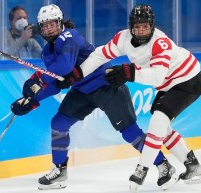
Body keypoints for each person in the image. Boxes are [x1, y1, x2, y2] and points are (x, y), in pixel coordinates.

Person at [10, 4, 179, 191]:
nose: (50, 28)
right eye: (45, 25)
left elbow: (65, 67)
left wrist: (37, 79)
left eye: (53, 24)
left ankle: (163, 165)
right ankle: (59, 171)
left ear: (60, 23)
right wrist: (33, 100)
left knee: (130, 133)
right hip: (82, 92)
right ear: (41, 28)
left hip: (107, 86)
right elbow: (58, 82)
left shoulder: (69, 36)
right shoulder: (47, 52)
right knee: (58, 124)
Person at [64, 4, 201, 191]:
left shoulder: (160, 42)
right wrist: (79, 74)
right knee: (162, 130)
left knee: (158, 120)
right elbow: (100, 55)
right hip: (168, 85)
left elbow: (157, 76)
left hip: (188, 81)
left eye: (145, 26)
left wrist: (129, 73)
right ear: (131, 26)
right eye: (137, 26)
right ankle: (193, 166)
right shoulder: (123, 38)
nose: (140, 31)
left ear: (152, 26)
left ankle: (142, 169)